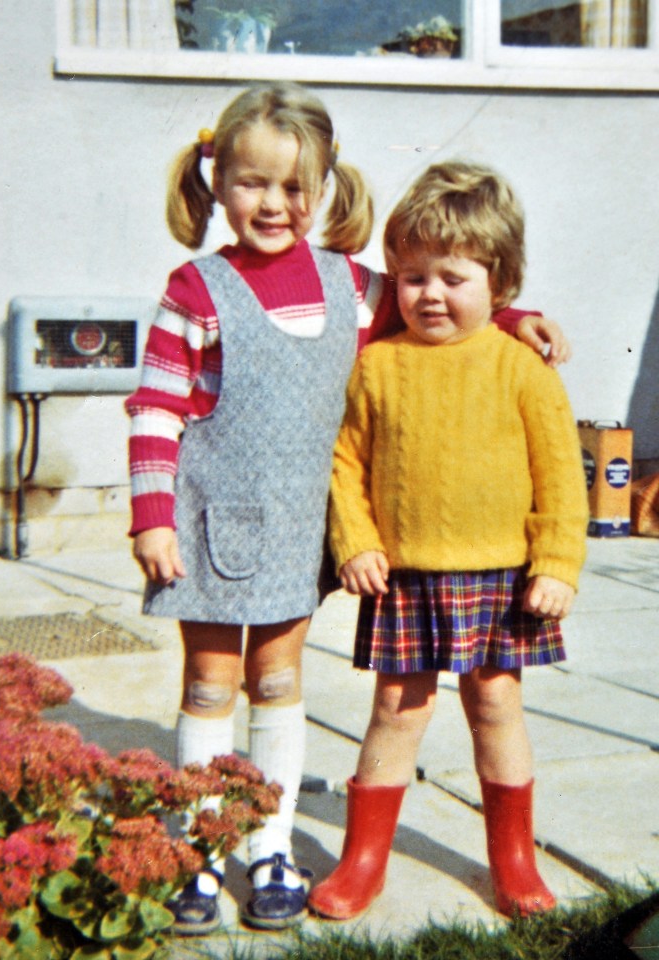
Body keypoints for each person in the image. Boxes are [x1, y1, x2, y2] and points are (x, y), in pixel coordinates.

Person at [126, 84, 569, 934]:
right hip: (210, 525)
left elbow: (438, 288)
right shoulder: (197, 287)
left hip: (296, 535)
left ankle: (269, 844)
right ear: (217, 183)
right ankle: (199, 857)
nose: (275, 204)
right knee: (210, 684)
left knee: (279, 682)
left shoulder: (349, 286)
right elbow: (156, 408)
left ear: (324, 188)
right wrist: (151, 518)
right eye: (253, 184)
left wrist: (517, 317)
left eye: (296, 188)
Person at [307, 161, 589, 922]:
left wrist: (559, 562)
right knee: (396, 711)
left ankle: (514, 860)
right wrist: (355, 541)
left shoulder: (522, 367)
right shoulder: (377, 366)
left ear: (499, 284)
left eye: (452, 278)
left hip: (502, 574)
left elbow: (562, 474)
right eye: (410, 277)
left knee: (496, 703)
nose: (428, 294)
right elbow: (345, 461)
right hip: (405, 576)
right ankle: (363, 859)